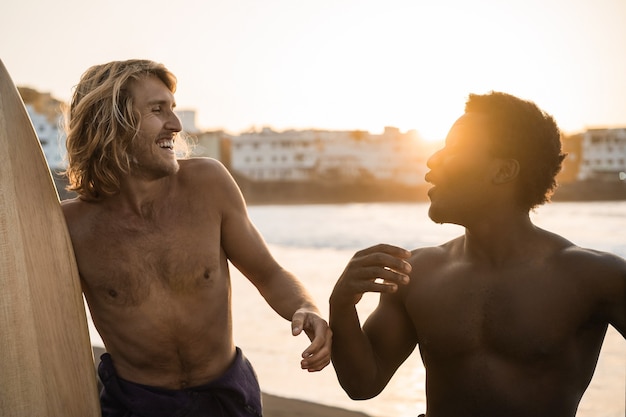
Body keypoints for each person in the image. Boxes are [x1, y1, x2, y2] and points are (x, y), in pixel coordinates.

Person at [61, 59, 332, 417]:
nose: (175, 125)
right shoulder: (71, 226)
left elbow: (268, 272)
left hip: (228, 396)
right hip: (136, 405)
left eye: (173, 109)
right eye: (157, 110)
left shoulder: (208, 184)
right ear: (110, 123)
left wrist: (306, 307)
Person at [329, 91, 626, 417]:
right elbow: (362, 383)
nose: (432, 161)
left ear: (503, 171)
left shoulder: (593, 277)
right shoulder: (417, 272)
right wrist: (341, 305)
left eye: (453, 150)